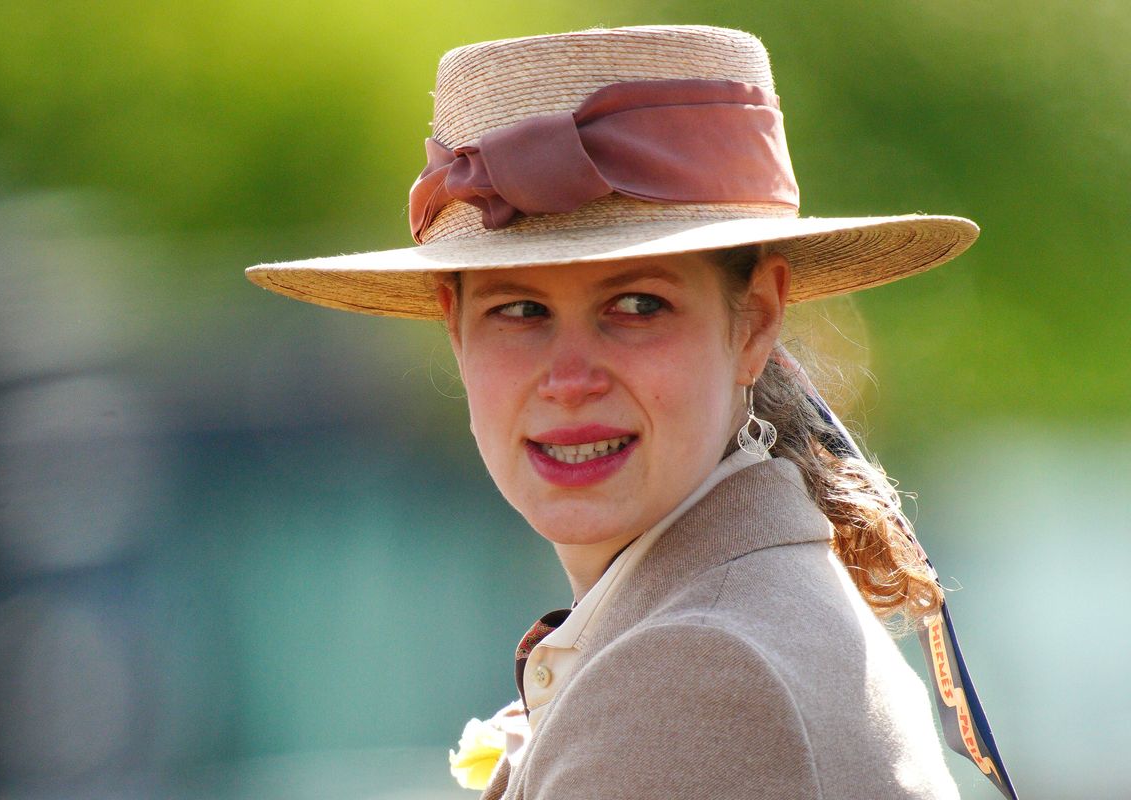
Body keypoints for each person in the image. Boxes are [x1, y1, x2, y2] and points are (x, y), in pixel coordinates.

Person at [246, 25, 1017, 800]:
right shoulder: (739, 612)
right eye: (519, 310)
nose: (570, 379)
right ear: (456, 328)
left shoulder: (697, 670)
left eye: (638, 305)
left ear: (753, 323)